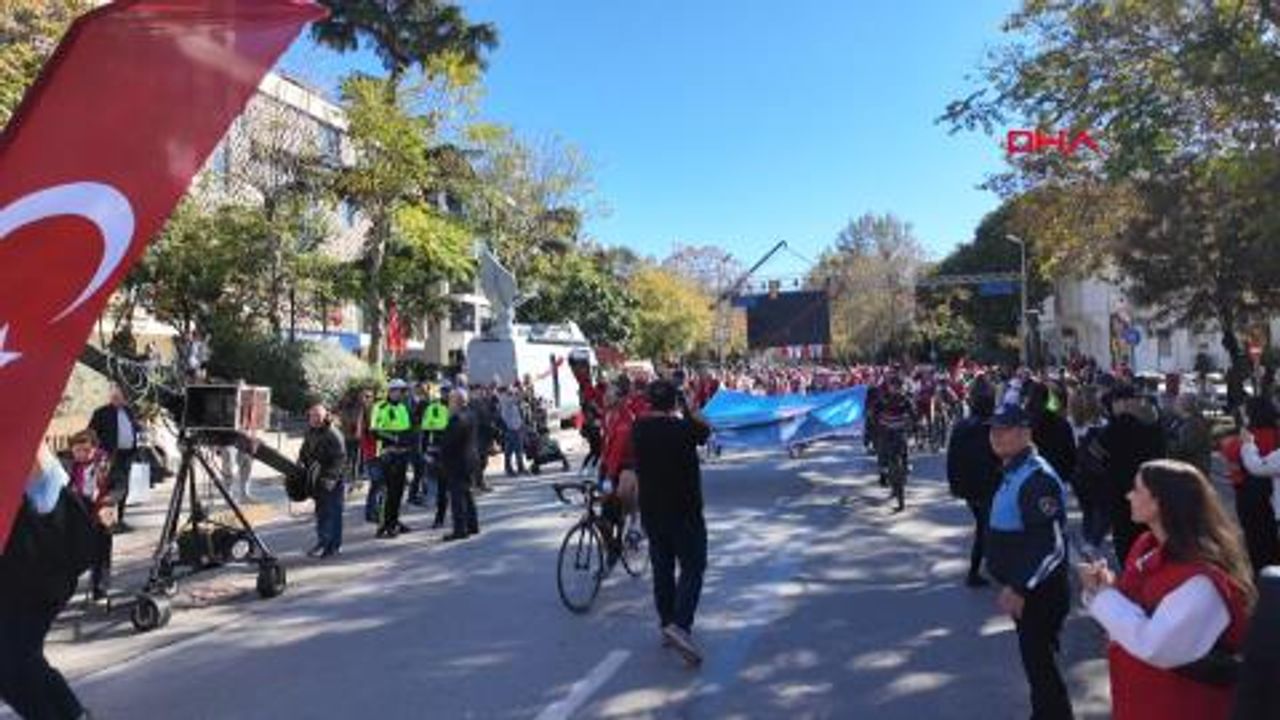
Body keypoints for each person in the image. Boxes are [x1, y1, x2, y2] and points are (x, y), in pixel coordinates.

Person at [1080, 460, 1255, 720]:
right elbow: (1134, 607)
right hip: (1141, 700)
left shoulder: (1201, 580)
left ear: (1160, 502)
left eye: (1137, 490)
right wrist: (1103, 588)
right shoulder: (1147, 545)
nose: (1128, 496)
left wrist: (1104, 597)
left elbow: (1156, 645)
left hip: (1180, 707)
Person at [986, 403, 1074, 720]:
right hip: (1029, 589)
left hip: (1039, 593)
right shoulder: (1014, 469)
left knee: (1042, 670)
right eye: (993, 429)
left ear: (1025, 433)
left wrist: (1020, 587)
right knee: (1039, 668)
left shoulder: (1036, 479)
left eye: (1004, 429)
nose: (995, 436)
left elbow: (1051, 544)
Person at [0, 446, 94, 720]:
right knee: (18, 661)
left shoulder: (22, 441)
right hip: (16, 580)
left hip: (39, 577)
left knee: (14, 662)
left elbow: (41, 473)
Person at [632, 379, 712, 667]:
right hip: (685, 511)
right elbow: (705, 430)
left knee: (662, 569)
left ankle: (666, 624)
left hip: (652, 512)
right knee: (693, 566)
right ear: (674, 403)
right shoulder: (683, 430)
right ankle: (680, 625)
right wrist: (689, 409)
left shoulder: (639, 429)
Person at [1093, 385, 1167, 566]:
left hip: (1120, 496)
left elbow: (1093, 458)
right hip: (1151, 491)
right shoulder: (1153, 426)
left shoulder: (1112, 430)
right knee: (1150, 540)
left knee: (1126, 545)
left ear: (1122, 403)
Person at [946, 378, 1000, 587]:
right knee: (986, 527)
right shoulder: (993, 425)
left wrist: (955, 485)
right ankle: (978, 569)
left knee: (984, 525)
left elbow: (952, 460)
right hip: (988, 486)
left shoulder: (961, 426)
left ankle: (983, 566)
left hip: (968, 487)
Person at [65, 430, 116, 600]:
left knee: (102, 551)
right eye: (77, 450)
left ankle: (100, 588)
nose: (81, 454)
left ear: (95, 448)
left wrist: (109, 500)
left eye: (86, 450)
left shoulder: (105, 462)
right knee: (81, 551)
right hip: (80, 511)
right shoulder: (70, 465)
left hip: (103, 510)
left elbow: (119, 484)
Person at [1233, 399, 1280, 574]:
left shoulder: (1251, 435)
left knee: (1256, 538)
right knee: (1268, 539)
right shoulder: (1276, 432)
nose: (1242, 415)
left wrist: (1245, 443)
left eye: (1245, 412)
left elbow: (1254, 466)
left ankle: (1263, 579)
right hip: (1267, 492)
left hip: (1252, 491)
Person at [88, 382, 141, 532]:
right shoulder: (101, 412)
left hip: (127, 455)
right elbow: (91, 433)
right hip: (109, 456)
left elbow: (134, 428)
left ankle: (120, 520)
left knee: (124, 490)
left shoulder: (129, 412)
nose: (118, 398)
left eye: (120, 396)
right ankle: (106, 523)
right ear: (110, 396)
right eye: (114, 395)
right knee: (110, 490)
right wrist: (95, 453)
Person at [298, 403, 346, 558]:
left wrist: (331, 478)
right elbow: (304, 450)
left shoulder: (333, 433)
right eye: (312, 416)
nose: (315, 419)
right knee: (321, 513)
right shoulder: (310, 431)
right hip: (318, 478)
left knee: (333, 512)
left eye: (318, 416)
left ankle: (333, 546)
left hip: (333, 480)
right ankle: (323, 541)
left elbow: (340, 458)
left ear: (325, 416)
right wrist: (300, 463)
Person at [371, 379, 414, 539]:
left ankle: (394, 521)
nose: (402, 394)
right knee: (388, 491)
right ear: (391, 391)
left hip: (402, 454)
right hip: (388, 454)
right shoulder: (380, 407)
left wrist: (407, 441)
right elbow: (375, 431)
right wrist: (394, 438)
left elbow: (408, 429)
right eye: (399, 391)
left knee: (399, 490)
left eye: (403, 391)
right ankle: (384, 525)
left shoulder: (403, 407)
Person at [440, 388, 479, 542]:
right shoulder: (470, 414)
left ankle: (460, 529)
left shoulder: (456, 419)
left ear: (456, 402)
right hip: (470, 460)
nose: (448, 404)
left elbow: (449, 442)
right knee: (468, 493)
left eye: (450, 401)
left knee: (457, 495)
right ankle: (472, 524)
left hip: (457, 461)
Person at [420, 387, 451, 528]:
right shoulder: (432, 408)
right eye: (444, 391)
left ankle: (458, 517)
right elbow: (425, 432)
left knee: (451, 487)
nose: (445, 394)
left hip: (450, 452)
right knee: (440, 486)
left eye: (448, 391)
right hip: (435, 451)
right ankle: (439, 517)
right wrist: (424, 451)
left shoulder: (454, 408)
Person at [498, 384, 527, 476]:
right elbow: (518, 398)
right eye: (509, 390)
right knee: (510, 450)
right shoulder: (505, 400)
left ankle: (520, 467)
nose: (511, 391)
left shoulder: (508, 399)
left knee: (518, 449)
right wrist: (521, 391)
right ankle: (509, 468)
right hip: (511, 428)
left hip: (516, 427)